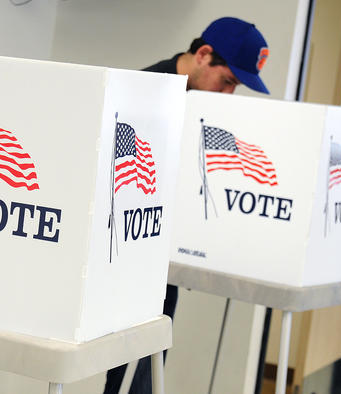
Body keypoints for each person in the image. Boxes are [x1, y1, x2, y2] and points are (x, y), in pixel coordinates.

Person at [103, 16, 269, 394]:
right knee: (122, 372)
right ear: (203, 55)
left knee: (141, 379)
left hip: (164, 266)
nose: (228, 94)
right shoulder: (139, 92)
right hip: (121, 256)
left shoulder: (206, 107)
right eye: (227, 81)